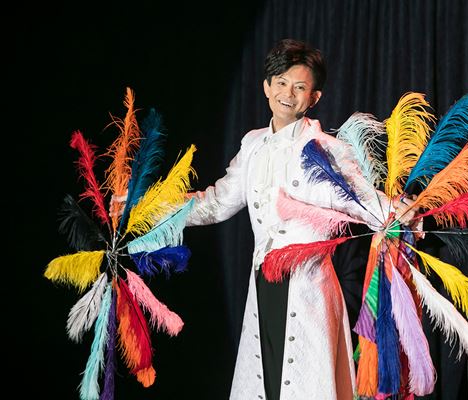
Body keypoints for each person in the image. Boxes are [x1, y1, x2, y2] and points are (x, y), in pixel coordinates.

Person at [121, 38, 419, 400]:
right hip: (262, 285)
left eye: (300, 87)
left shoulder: (326, 149)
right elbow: (215, 203)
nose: (287, 94)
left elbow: (363, 201)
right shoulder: (253, 145)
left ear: (314, 97)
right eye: (281, 83)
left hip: (309, 291)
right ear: (266, 87)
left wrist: (400, 211)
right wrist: (146, 207)